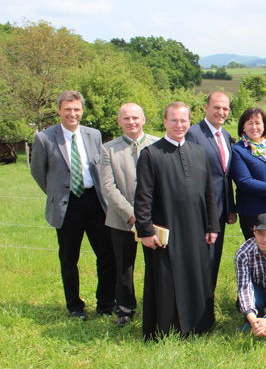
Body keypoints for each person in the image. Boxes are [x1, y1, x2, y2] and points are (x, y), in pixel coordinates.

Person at [134, 102, 220, 340]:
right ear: (165, 122)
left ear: (189, 122)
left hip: (196, 228)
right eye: (174, 120)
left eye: (183, 121)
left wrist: (212, 225)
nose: (179, 125)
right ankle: (166, 328)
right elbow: (143, 198)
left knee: (197, 274)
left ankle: (198, 325)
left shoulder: (198, 152)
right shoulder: (151, 154)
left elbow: (209, 193)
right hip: (166, 230)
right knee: (167, 279)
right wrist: (146, 230)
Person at [30, 90, 116, 320]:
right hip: (67, 205)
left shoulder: (94, 135)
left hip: (95, 202)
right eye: (68, 109)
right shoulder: (45, 138)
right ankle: (75, 307)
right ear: (58, 110)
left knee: (106, 255)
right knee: (69, 259)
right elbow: (38, 172)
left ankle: (106, 304)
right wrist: (56, 194)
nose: (73, 113)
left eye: (77, 109)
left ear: (82, 110)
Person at [100, 103, 159, 326]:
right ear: (119, 122)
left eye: (135, 117)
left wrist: (147, 216)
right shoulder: (109, 149)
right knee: (124, 266)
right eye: (126, 118)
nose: (131, 122)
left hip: (154, 219)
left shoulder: (156, 144)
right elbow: (108, 187)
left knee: (155, 263)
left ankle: (156, 303)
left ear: (143, 119)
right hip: (122, 219)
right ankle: (125, 309)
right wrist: (132, 215)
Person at [185, 92, 236, 294]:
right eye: (216, 107)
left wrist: (230, 208)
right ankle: (196, 300)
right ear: (206, 108)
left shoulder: (224, 135)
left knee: (214, 257)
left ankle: (208, 299)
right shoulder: (193, 134)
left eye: (225, 108)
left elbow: (225, 176)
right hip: (201, 210)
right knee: (200, 259)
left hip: (221, 209)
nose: (220, 112)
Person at [229, 108, 266, 240]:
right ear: (243, 127)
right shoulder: (238, 150)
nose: (254, 127)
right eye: (250, 123)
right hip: (252, 212)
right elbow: (244, 182)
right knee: (255, 255)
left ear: (264, 125)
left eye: (258, 123)